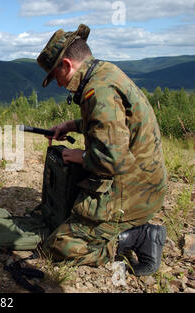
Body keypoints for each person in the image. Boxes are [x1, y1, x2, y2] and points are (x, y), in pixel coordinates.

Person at [36, 24, 168, 276]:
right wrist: (72, 125)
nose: (59, 84)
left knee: (60, 247)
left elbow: (113, 160)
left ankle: (139, 236)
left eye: (55, 76)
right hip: (142, 180)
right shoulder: (104, 73)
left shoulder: (99, 91)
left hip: (134, 190)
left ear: (66, 64)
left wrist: (82, 156)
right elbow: (112, 125)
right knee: (64, 212)